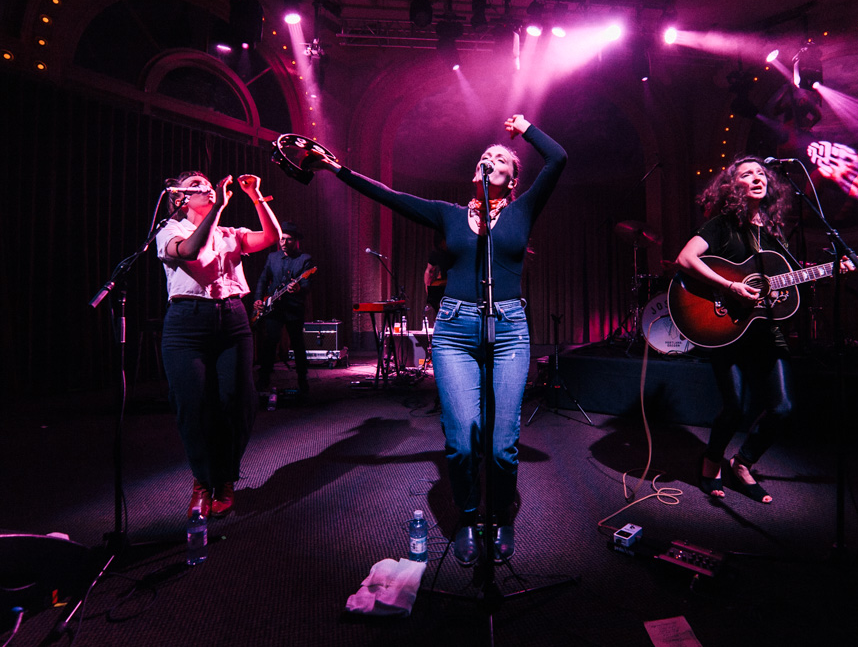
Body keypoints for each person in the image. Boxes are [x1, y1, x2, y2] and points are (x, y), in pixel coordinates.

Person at [319, 115, 566, 565]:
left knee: (501, 444)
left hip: (509, 330)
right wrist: (338, 169)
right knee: (462, 438)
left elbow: (559, 158)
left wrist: (527, 129)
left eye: (499, 161)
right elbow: (390, 196)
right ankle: (469, 516)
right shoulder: (447, 214)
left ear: (511, 180)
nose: (489, 161)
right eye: (484, 159)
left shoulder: (522, 210)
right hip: (454, 331)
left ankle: (503, 515)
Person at [675, 157, 852, 503]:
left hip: (764, 329)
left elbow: (781, 280)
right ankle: (710, 463)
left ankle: (742, 462)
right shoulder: (721, 225)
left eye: (761, 173)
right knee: (735, 408)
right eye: (747, 174)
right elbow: (685, 259)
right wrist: (730, 287)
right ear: (732, 186)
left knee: (783, 407)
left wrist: (830, 269)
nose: (757, 178)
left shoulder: (773, 229)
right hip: (727, 328)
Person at [156, 171, 281, 519]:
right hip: (186, 323)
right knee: (192, 406)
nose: (207, 189)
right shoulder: (171, 230)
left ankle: (224, 479)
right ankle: (202, 480)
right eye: (196, 186)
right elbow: (192, 251)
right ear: (179, 197)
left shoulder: (230, 233)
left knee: (238, 402)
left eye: (208, 184)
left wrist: (255, 196)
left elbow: (272, 237)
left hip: (232, 320)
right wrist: (219, 208)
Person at [254, 223, 314, 396]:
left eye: (288, 239)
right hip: (273, 307)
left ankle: (303, 379)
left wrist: (299, 289)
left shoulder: (305, 259)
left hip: (294, 308)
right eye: (282, 239)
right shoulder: (272, 257)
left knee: (297, 343)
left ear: (296, 241)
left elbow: (307, 284)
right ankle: (264, 377)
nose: (284, 242)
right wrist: (258, 298)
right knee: (270, 342)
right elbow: (263, 279)